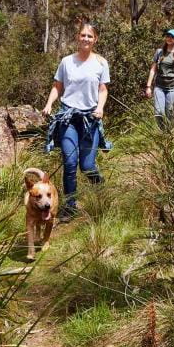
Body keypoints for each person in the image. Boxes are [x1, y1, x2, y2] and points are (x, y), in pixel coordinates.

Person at [42, 22, 110, 222]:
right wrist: (48, 104)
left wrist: (100, 108)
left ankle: (100, 185)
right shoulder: (66, 62)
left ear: (95, 39)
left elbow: (103, 90)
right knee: (70, 162)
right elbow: (57, 86)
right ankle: (70, 206)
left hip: (90, 118)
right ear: (77, 37)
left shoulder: (101, 63)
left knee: (87, 165)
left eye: (90, 36)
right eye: (83, 35)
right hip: (68, 117)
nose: (86, 39)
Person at [145, 29, 174, 130]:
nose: (169, 38)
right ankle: (163, 132)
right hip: (159, 86)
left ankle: (171, 133)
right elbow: (153, 70)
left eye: (171, 36)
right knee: (158, 113)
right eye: (167, 36)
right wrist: (148, 86)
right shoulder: (159, 52)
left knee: (170, 113)